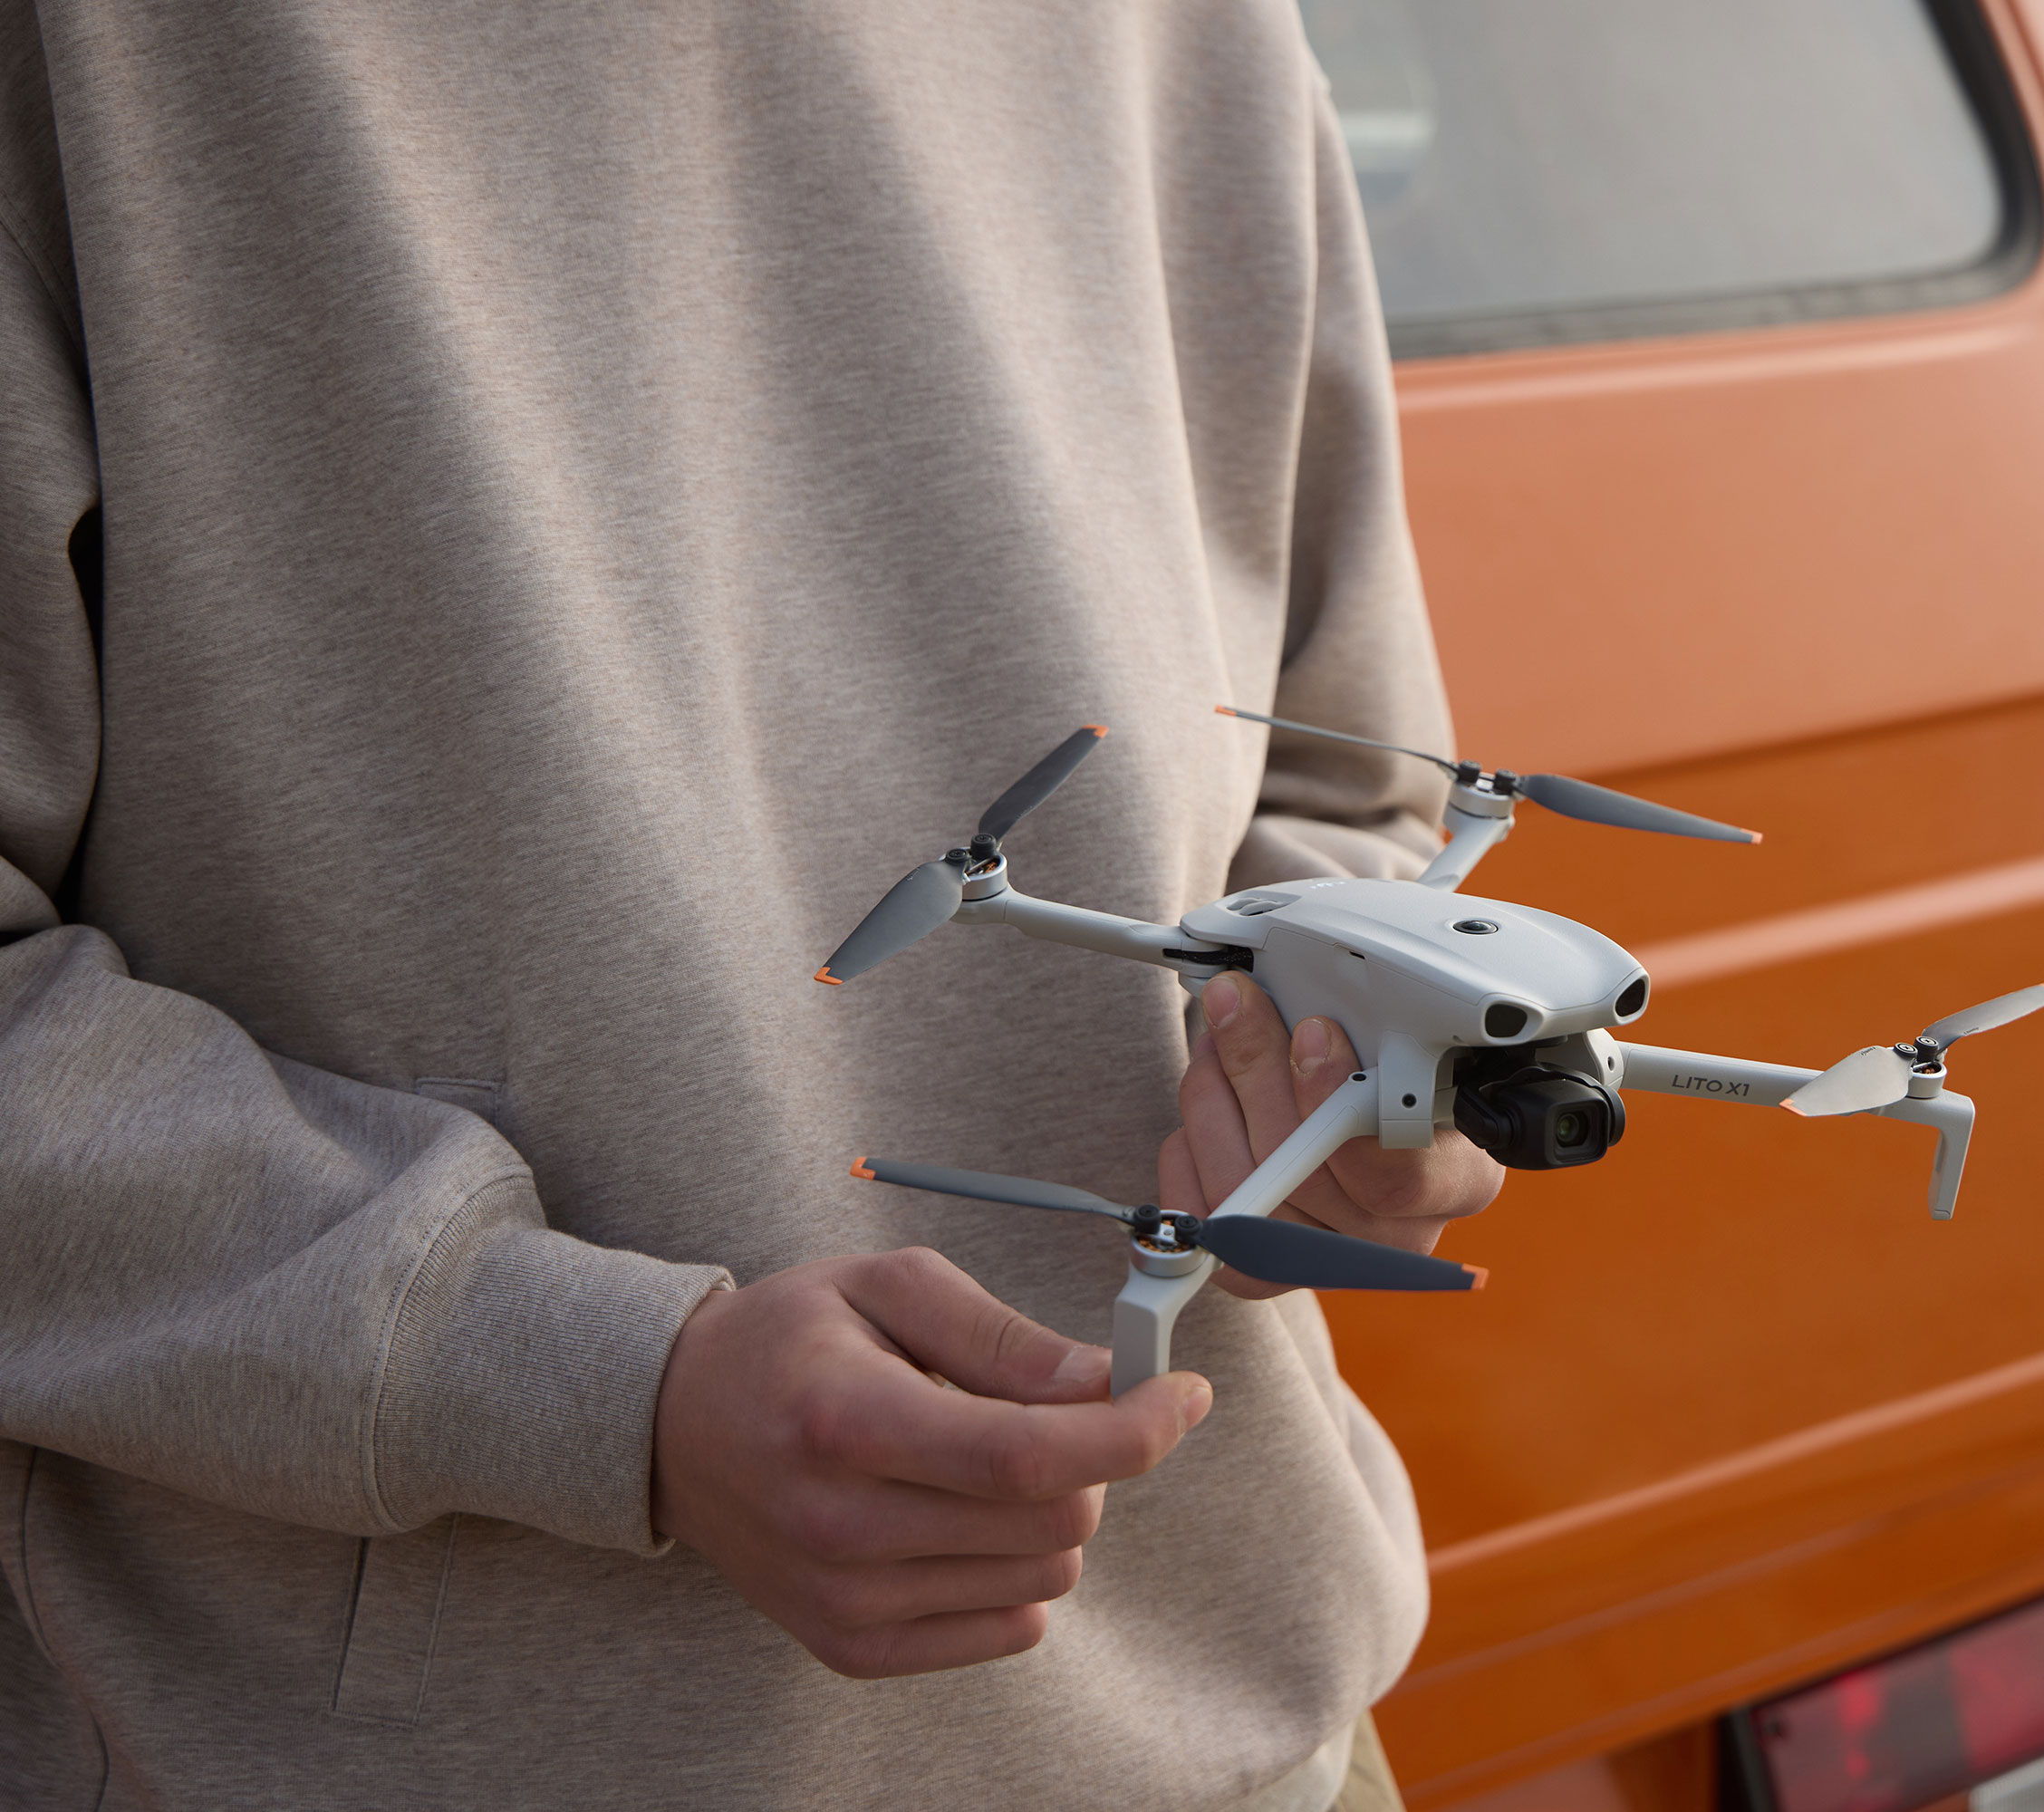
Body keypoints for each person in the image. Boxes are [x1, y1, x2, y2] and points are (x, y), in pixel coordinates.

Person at [0, 5, 1501, 1807]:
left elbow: (1344, 786)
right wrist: (585, 1380)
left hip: (1258, 1751)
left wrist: (1336, 1072)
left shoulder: (1197, 34)